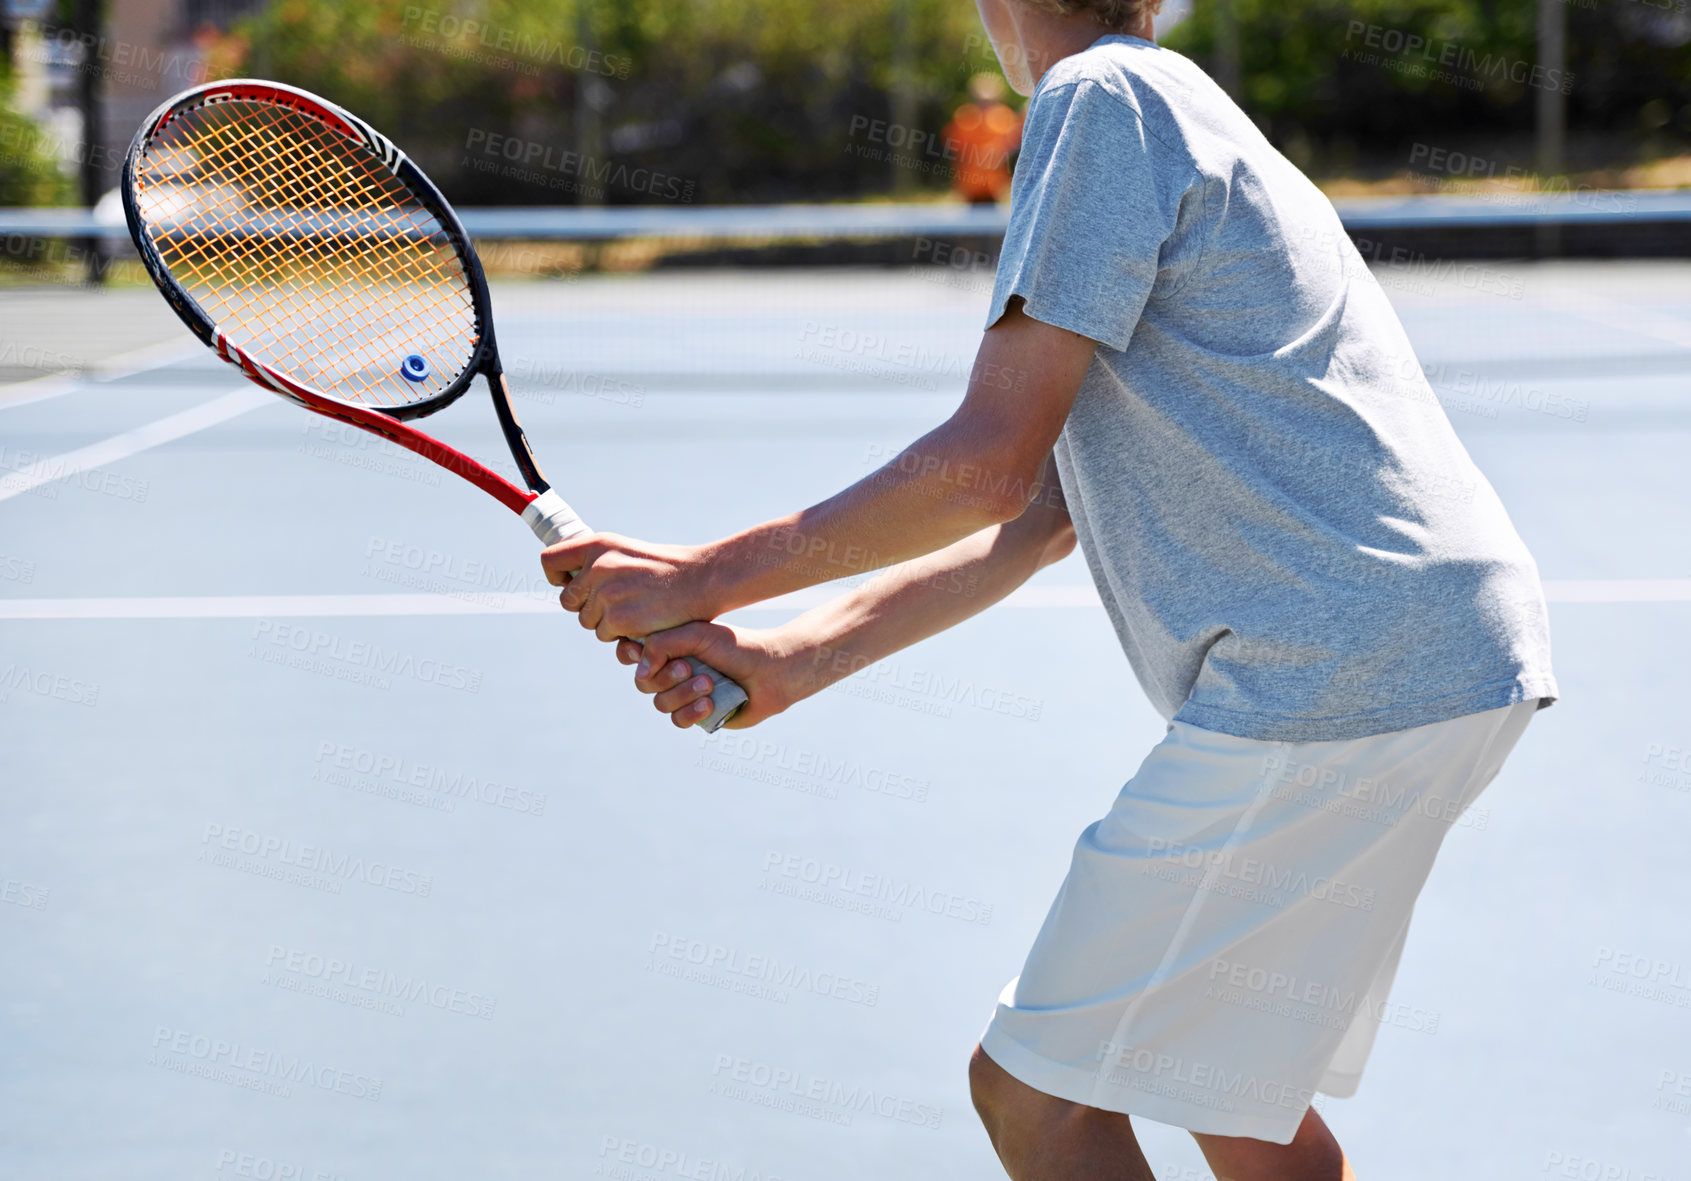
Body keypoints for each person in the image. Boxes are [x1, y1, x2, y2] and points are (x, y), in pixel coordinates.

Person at [540, 0, 1558, 1176]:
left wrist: (699, 573)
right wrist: (791, 656)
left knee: (1036, 1095)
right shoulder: (1178, 105)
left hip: (1327, 666)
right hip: (1442, 648)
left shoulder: (1094, 100)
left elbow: (982, 466)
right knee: (1227, 1092)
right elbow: (1036, 520)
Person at [943, 71, 1023, 203]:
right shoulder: (965, 116)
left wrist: (998, 150)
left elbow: (1013, 143)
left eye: (990, 101)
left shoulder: (1004, 116)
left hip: (996, 185)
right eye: (982, 101)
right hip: (969, 184)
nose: (986, 105)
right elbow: (954, 147)